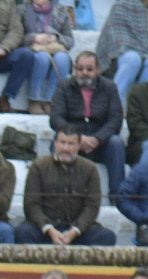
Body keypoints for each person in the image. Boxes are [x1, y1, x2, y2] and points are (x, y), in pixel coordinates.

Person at [19, 126, 117, 246]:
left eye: (71, 144)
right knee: (23, 232)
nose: (65, 148)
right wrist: (49, 229)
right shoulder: (38, 166)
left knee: (106, 236)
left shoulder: (90, 169)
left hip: (78, 230)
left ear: (78, 146)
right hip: (45, 229)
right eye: (62, 143)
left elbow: (92, 206)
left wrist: (75, 231)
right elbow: (31, 204)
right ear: (55, 143)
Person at [51, 50, 126, 194]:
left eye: (89, 69)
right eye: (80, 69)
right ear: (74, 69)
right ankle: (58, 194)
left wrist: (98, 139)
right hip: (72, 139)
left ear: (98, 70)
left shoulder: (109, 87)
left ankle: (118, 198)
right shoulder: (64, 86)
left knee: (116, 143)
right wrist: (77, 138)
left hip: (101, 142)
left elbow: (115, 119)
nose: (84, 72)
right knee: (57, 143)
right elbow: (55, 118)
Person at [96, 0, 148, 103]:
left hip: (143, 52)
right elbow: (116, 38)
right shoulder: (120, 6)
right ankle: (116, 105)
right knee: (132, 58)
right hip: (115, 58)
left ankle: (141, 104)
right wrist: (133, 48)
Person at [19, 0, 72, 114]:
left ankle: (51, 100)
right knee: (42, 58)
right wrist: (34, 38)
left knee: (63, 59)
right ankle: (34, 99)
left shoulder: (61, 11)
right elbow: (17, 36)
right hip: (33, 49)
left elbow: (70, 40)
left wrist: (56, 37)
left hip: (55, 48)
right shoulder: (22, 10)